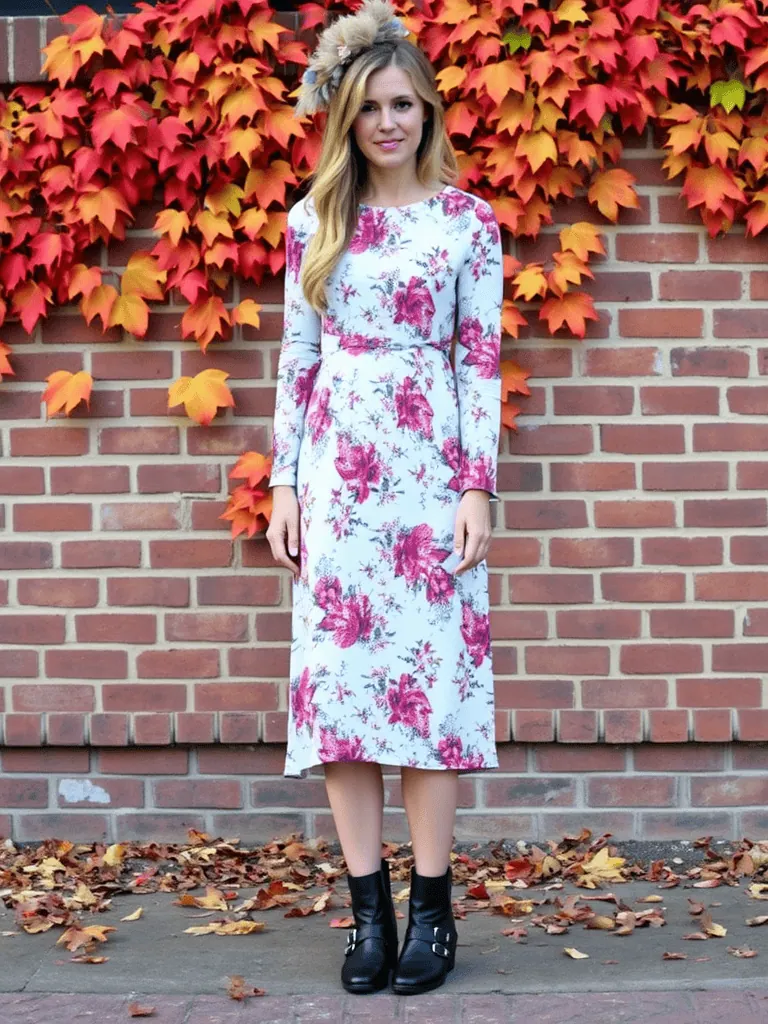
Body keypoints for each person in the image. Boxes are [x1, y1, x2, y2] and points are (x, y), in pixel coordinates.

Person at [266, 0, 503, 997]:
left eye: (403, 104)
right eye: (369, 107)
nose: (388, 122)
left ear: (428, 111)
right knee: (345, 694)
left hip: (429, 483)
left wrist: (477, 486)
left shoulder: (468, 224)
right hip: (337, 486)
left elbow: (479, 362)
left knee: (428, 690)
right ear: (346, 118)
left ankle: (433, 911)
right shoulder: (312, 222)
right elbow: (297, 359)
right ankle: (369, 913)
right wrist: (283, 484)